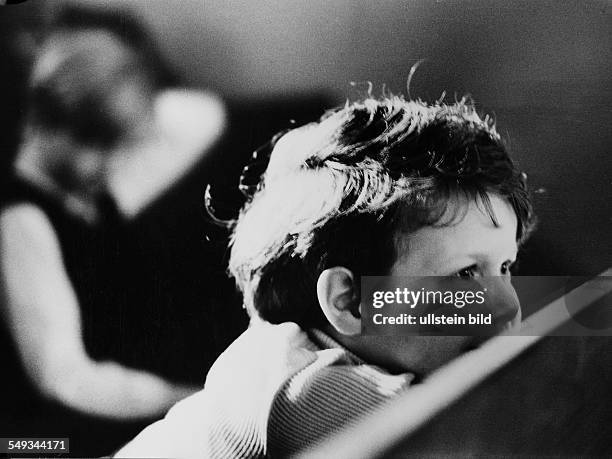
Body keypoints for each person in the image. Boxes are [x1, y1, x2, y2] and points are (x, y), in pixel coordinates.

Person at [115, 94, 535, 458]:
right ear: (349, 301)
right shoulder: (302, 390)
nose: (508, 308)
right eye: (465, 275)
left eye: (505, 268)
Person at [0, 5, 225, 442]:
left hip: (133, 394)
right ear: (52, 129)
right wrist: (179, 398)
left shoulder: (85, 193)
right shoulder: (20, 220)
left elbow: (199, 115)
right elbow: (63, 377)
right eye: (104, 149)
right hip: (42, 435)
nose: (114, 166)